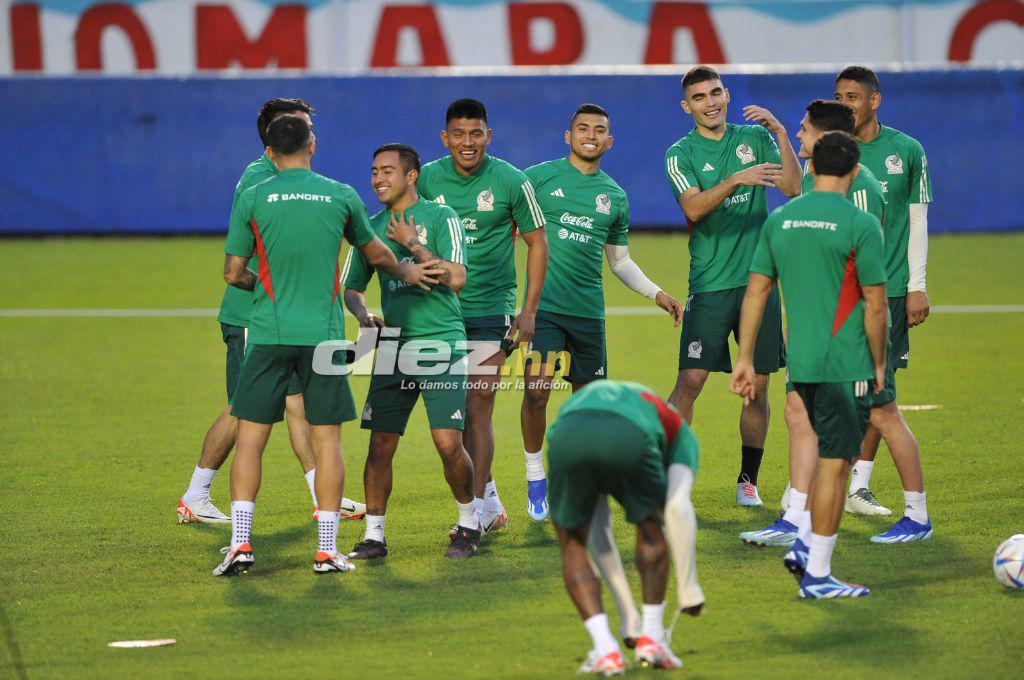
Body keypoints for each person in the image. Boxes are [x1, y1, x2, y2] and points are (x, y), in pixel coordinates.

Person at [212, 119, 440, 576]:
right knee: (327, 441)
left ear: (270, 153)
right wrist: (408, 271)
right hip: (322, 337)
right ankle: (326, 551)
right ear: (311, 146)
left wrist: (266, 291)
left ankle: (240, 544)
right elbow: (377, 255)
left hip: (269, 334)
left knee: (251, 440)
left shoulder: (253, 195)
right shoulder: (340, 195)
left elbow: (233, 272)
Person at [177, 98, 366, 525]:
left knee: (297, 404)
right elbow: (241, 264)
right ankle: (195, 493)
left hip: (284, 319)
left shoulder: (285, 178)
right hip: (254, 317)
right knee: (243, 410)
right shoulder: (260, 179)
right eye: (301, 126)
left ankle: (322, 496)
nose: (307, 133)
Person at [731, 131, 888, 598]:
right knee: (836, 467)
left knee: (813, 447)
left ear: (813, 167)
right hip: (847, 364)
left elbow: (756, 292)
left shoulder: (781, 219)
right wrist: (879, 364)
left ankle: (803, 543)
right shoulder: (861, 224)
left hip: (800, 363)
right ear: (854, 171)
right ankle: (815, 570)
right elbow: (876, 306)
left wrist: (745, 358)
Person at [520, 102, 683, 515]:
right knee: (536, 393)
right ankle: (535, 476)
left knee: (588, 407)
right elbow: (508, 228)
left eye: (598, 130)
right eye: (582, 128)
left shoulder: (615, 196)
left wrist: (657, 294)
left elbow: (620, 261)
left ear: (609, 141)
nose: (590, 136)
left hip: (589, 314)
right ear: (568, 136)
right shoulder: (537, 179)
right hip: (545, 310)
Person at [663, 65, 800, 506]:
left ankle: (747, 481)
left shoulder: (756, 138)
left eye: (715, 92)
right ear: (687, 107)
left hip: (759, 282)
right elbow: (694, 208)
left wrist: (780, 132)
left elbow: (793, 187)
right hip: (710, 282)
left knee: (757, 385)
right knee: (691, 379)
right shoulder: (680, 153)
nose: (710, 102)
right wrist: (735, 179)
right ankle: (672, 478)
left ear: (726, 94)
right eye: (699, 97)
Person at [344, 143, 481, 560]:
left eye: (387, 171)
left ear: (411, 176)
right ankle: (374, 536)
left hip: (442, 342)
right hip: (394, 347)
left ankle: (469, 523)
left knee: (448, 444)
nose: (378, 179)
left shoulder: (442, 217)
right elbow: (351, 289)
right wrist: (363, 314)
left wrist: (413, 244)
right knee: (380, 444)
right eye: (374, 171)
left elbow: (457, 278)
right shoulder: (369, 228)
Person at [417, 99, 549, 526]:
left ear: (488, 136)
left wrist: (528, 311)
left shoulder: (512, 180)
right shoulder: (427, 178)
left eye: (476, 134)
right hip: (440, 311)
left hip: (492, 307)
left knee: (479, 403)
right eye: (459, 134)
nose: (468, 142)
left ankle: (472, 514)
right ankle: (489, 499)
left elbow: (538, 243)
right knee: (451, 419)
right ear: (445, 138)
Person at [835, 66, 933, 542]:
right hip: (839, 295)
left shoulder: (907, 150)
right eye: (838, 96)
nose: (845, 104)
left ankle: (858, 485)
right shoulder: (832, 152)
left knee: (878, 393)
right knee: (847, 393)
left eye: (852, 96)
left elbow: (916, 222)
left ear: (874, 100)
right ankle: (834, 488)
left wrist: (917, 285)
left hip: (889, 291)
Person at [548, 380, 703, 674]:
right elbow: (678, 507)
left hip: (569, 433)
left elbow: (599, 530)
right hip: (629, 434)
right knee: (650, 527)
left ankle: (605, 649)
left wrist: (628, 617)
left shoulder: (623, 402)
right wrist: (689, 589)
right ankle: (652, 638)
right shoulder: (684, 439)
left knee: (573, 542)